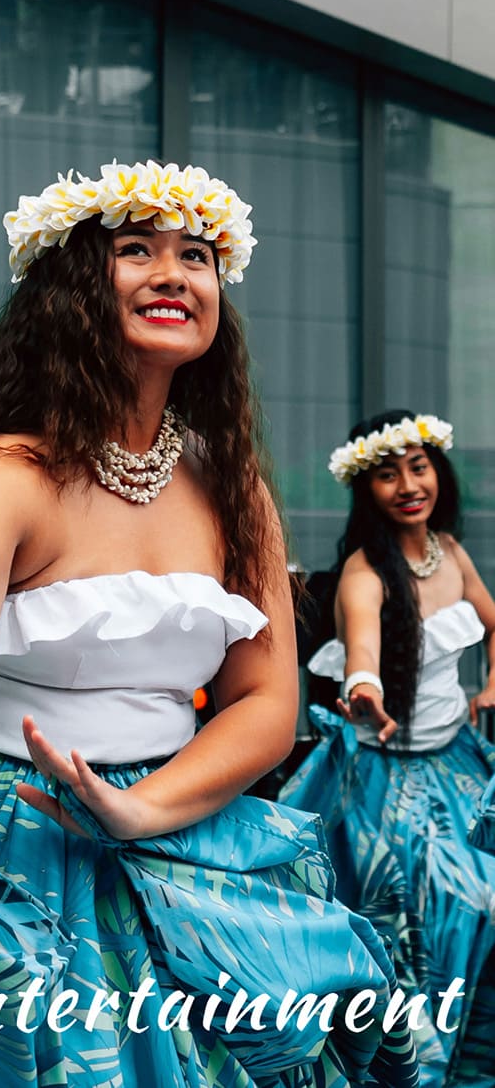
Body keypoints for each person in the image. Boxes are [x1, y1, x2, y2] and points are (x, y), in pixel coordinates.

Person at [0, 162, 417, 1087]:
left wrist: (144, 808)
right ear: (71, 289)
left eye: (197, 256)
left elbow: (264, 703)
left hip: (180, 823)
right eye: (137, 250)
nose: (174, 273)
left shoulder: (235, 492)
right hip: (3, 836)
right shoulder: (5, 471)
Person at [280, 408, 495, 1087]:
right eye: (386, 474)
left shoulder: (451, 553)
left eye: (418, 467)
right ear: (363, 490)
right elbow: (364, 647)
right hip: (385, 785)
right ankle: (414, 1068)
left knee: (472, 917)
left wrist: (492, 686)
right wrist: (364, 688)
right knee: (413, 932)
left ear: (439, 473)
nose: (407, 484)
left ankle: (470, 1057)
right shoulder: (363, 573)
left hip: (456, 765)